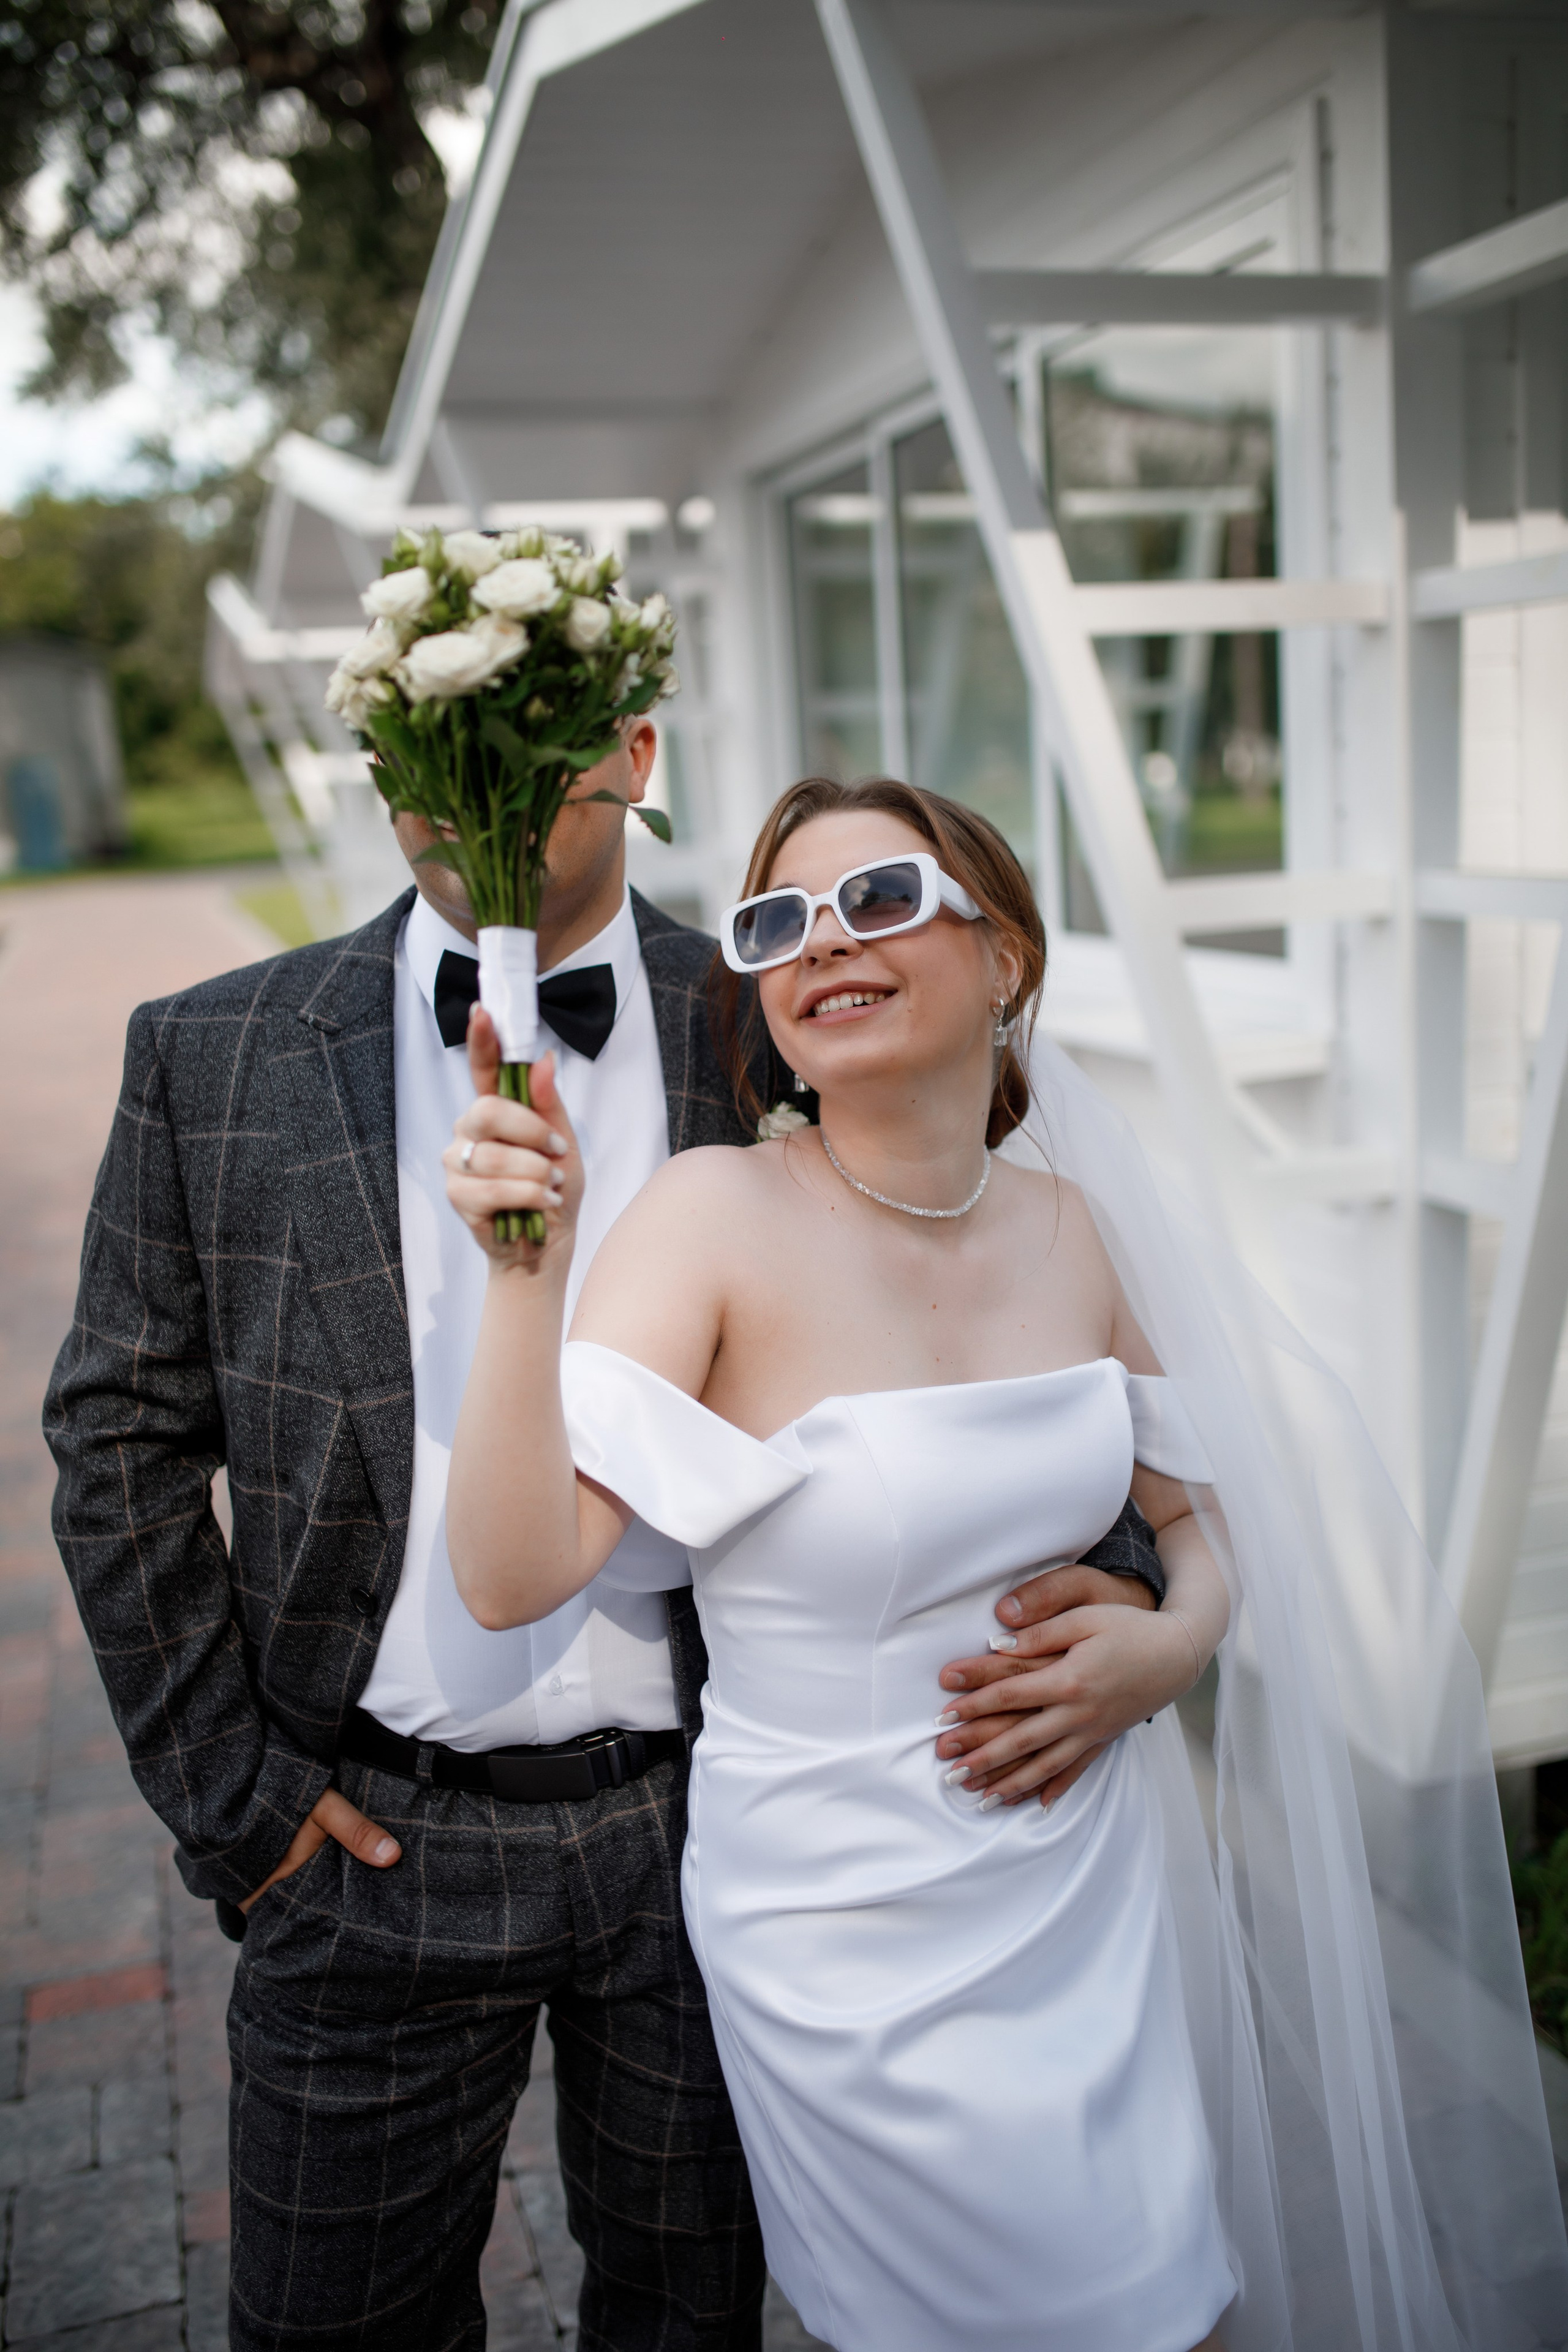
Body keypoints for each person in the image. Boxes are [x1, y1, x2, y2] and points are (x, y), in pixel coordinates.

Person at [43, 723, 1180, 2352]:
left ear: (635, 751)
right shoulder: (214, 1050)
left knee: (687, 2322)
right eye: (421, 736)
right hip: (362, 1835)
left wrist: (1132, 1607)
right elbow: (120, 1441)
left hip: (713, 1839)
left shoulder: (778, 1001)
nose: (472, 780)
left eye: (527, 731)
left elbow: (987, 1340)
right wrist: (242, 1806)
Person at [442, 775, 1568, 2352]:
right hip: (840, 1939)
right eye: (780, 921)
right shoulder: (710, 1221)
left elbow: (1201, 1521)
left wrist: (1173, 1647)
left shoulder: (1077, 1233)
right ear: (763, 996)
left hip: (1083, 1889)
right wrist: (526, 1281)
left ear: (1006, 954)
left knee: (1171, 2301)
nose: (824, 942)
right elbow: (507, 1577)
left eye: (881, 900)